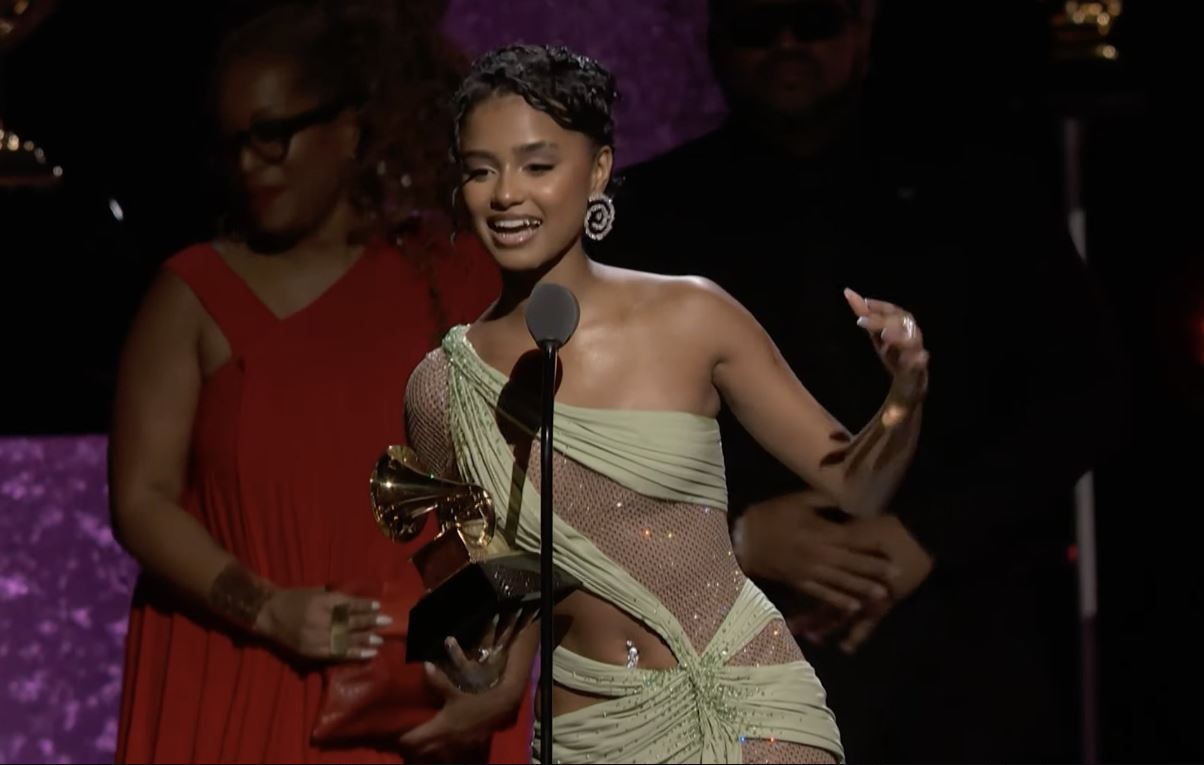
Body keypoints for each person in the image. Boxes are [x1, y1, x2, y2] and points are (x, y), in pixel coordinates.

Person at [591, 0, 1122, 760]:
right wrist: (732, 534)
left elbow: (1087, 391)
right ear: (714, 35)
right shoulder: (643, 216)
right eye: (756, 26)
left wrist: (926, 534)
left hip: (964, 661)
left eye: (814, 20)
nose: (786, 45)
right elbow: (574, 438)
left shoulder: (980, 188)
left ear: (864, 25)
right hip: (724, 668)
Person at [404, 43, 931, 764]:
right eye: (480, 170)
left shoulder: (693, 318)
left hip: (751, 711)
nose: (506, 195)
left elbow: (858, 484)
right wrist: (478, 664)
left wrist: (906, 391)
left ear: (597, 171)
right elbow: (496, 597)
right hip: (590, 734)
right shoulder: (443, 389)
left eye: (537, 166)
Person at [108, 3, 533, 762]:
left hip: (423, 689)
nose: (250, 165)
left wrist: (508, 666)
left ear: (351, 126)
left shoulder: (456, 277)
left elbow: (529, 489)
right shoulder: (194, 294)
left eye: (272, 135)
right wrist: (267, 609)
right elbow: (141, 499)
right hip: (240, 669)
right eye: (233, 144)